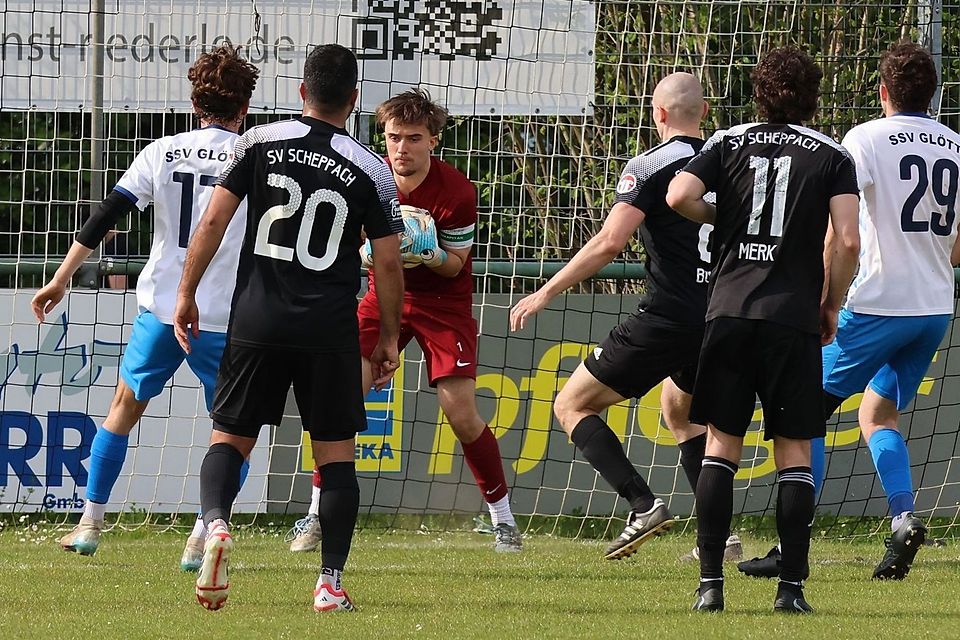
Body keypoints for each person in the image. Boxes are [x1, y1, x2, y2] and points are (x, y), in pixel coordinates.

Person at [173, 43, 404, 613]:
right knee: (336, 457)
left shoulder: (259, 141)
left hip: (256, 318)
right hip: (326, 327)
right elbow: (391, 261)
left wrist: (186, 294)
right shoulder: (371, 167)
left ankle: (217, 523)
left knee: (229, 438)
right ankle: (329, 583)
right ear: (354, 100)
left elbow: (213, 220)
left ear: (302, 91)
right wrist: (389, 336)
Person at [738, 42, 960, 582]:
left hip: (876, 302)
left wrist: (826, 299)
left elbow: (843, 234)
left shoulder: (863, 139)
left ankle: (793, 548)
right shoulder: (956, 144)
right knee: (879, 415)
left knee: (801, 409)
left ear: (883, 91)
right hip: (934, 305)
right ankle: (904, 517)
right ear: (932, 95)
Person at [30, 45, 259, 564]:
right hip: (226, 316)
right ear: (245, 106)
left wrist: (62, 278)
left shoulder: (163, 150)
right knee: (234, 433)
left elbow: (107, 214)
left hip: (161, 309)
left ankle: (89, 522)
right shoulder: (253, 155)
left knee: (123, 409)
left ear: (194, 101)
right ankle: (204, 534)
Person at [508, 73, 741, 563]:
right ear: (703, 112)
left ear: (657, 114)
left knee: (571, 405)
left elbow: (610, 242)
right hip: (721, 314)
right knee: (681, 410)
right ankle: (721, 535)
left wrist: (546, 291)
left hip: (669, 314)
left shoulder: (650, 166)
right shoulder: (729, 162)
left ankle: (642, 505)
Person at [666, 45, 861, 613]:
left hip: (727, 311)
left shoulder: (726, 140)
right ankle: (791, 590)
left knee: (720, 448)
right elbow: (847, 239)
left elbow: (679, 194)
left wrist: (720, 218)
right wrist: (831, 303)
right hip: (791, 318)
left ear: (758, 92)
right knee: (793, 452)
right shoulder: (830, 153)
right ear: (813, 95)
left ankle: (709, 586)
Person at [287, 88, 524, 554]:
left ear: (433, 140)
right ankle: (316, 515)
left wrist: (429, 252)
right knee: (338, 400)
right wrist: (366, 250)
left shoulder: (458, 191)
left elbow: (456, 264)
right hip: (382, 297)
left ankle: (504, 521)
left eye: (414, 138)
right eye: (394, 137)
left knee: (461, 412)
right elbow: (346, 240)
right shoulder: (367, 176)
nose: (402, 148)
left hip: (443, 304)